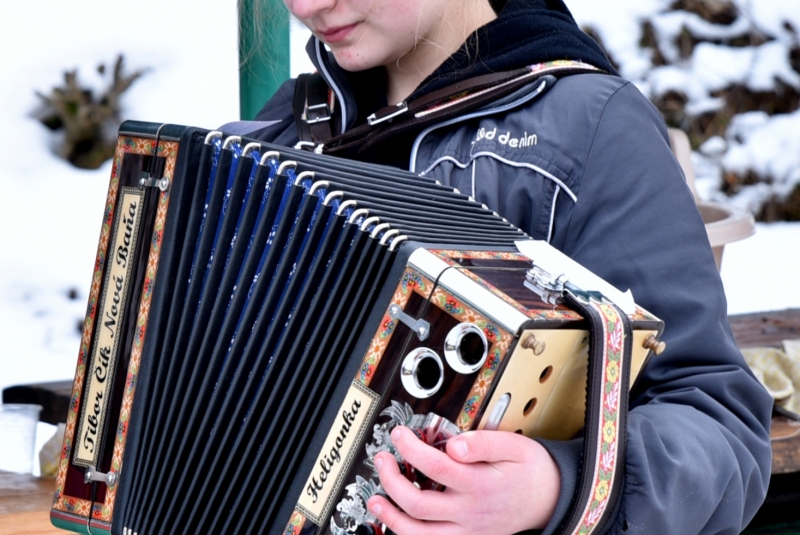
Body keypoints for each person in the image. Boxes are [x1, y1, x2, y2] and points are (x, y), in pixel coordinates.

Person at [249, 0, 773, 533]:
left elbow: (719, 424)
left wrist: (559, 489)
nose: (306, 5)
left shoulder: (591, 130)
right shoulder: (282, 133)